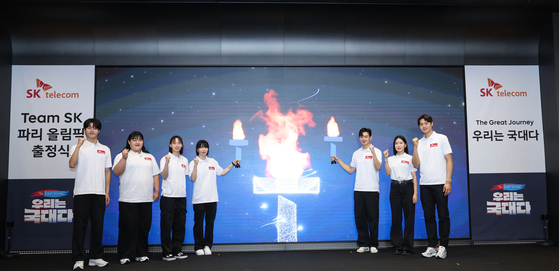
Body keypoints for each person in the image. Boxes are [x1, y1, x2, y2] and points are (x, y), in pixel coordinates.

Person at [69, 118, 111, 270]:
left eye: (95, 128)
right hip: (82, 191)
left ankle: (96, 257)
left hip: (99, 193)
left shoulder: (105, 149)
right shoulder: (77, 146)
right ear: (85, 130)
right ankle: (79, 259)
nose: (92, 130)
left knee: (98, 226)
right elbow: (72, 164)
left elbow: (107, 171)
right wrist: (79, 146)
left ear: (99, 131)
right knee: (80, 227)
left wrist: (106, 192)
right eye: (89, 127)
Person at [331, 127, 382, 254]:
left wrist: (373, 152)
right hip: (359, 189)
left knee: (373, 218)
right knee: (360, 218)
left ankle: (373, 244)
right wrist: (338, 160)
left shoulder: (377, 151)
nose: (363, 139)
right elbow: (350, 170)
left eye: (366, 136)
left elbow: (378, 166)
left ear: (370, 137)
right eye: (361, 136)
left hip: (372, 190)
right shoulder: (356, 153)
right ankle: (363, 243)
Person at [113, 131, 160, 265]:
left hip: (146, 199)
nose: (137, 142)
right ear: (129, 141)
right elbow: (117, 172)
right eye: (134, 139)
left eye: (140, 139)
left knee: (143, 228)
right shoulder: (122, 155)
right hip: (128, 198)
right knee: (127, 228)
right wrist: (124, 158)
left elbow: (155, 175)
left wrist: (156, 191)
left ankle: (141, 253)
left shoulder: (149, 157)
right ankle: (125, 255)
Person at [411, 114, 453, 259]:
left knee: (443, 215)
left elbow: (449, 160)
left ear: (432, 123)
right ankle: (432, 246)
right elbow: (415, 164)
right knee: (429, 216)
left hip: (440, 183)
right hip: (425, 185)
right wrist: (415, 147)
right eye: (421, 124)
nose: (424, 126)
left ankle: (443, 246)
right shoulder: (419, 143)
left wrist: (448, 181)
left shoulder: (441, 138)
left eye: (426, 123)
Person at [190, 140, 240, 256]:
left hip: (212, 198)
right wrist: (196, 165)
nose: (203, 149)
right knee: (198, 224)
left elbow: (222, 172)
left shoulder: (212, 161)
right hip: (199, 199)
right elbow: (192, 178)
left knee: (209, 223)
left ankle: (207, 245)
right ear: (197, 149)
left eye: (205, 147)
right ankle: (198, 246)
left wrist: (232, 164)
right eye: (201, 147)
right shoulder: (193, 163)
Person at [383, 135, 418, 256]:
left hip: (408, 187)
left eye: (401, 143)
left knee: (409, 218)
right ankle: (397, 245)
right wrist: (386, 158)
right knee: (396, 218)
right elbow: (388, 172)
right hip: (395, 189)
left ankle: (407, 246)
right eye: (396, 143)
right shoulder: (391, 158)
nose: (398, 145)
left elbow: (414, 177)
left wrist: (415, 193)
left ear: (405, 145)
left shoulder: (410, 158)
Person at [159, 136, 189, 261]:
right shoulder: (165, 158)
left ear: (181, 145)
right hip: (168, 197)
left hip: (181, 197)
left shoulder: (184, 160)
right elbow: (164, 176)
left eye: (179, 143)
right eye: (174, 143)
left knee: (179, 225)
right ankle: (167, 251)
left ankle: (177, 250)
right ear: (170, 145)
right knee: (167, 225)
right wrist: (167, 162)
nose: (177, 145)